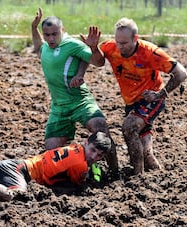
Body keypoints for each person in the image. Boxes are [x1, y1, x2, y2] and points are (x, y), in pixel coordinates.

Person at [81, 18, 187, 175]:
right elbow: (99, 62)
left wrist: (160, 95)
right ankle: (159, 176)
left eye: (124, 43)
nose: (120, 46)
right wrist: (93, 48)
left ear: (135, 39)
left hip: (150, 99)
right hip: (131, 102)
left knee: (129, 127)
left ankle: (138, 176)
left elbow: (181, 73)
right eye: (118, 41)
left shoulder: (150, 52)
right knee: (145, 153)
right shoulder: (111, 47)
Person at [31, 8, 118, 174]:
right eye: (46, 35)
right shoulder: (45, 48)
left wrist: (93, 48)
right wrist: (33, 28)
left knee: (101, 129)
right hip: (58, 107)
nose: (50, 38)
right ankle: (79, 169)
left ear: (62, 31)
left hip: (80, 101)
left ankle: (114, 172)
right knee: (51, 153)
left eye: (54, 34)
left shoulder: (72, 44)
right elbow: (37, 46)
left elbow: (98, 62)